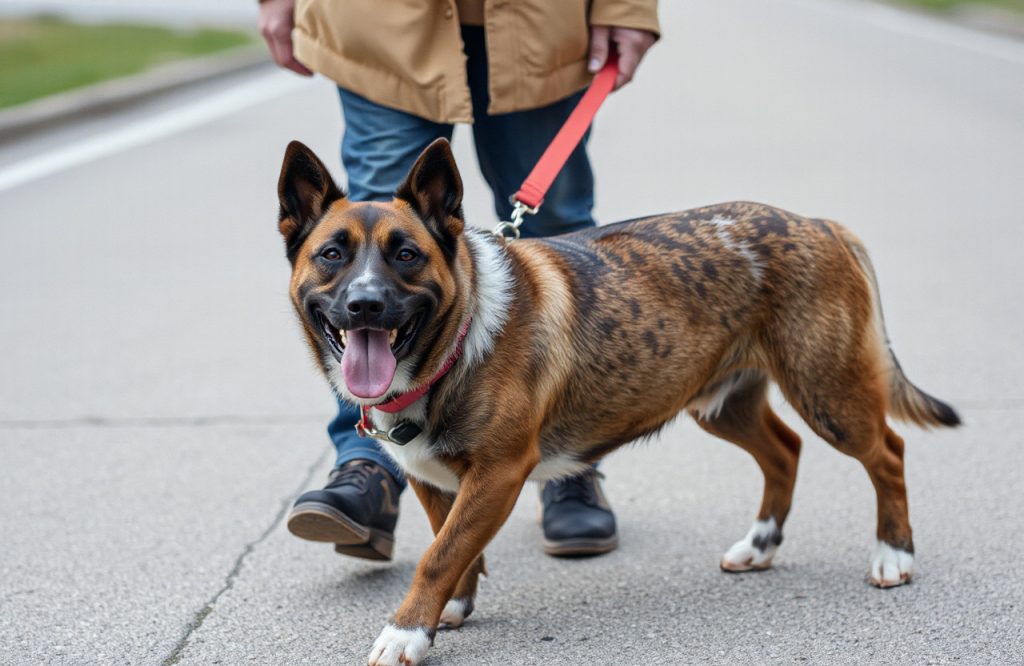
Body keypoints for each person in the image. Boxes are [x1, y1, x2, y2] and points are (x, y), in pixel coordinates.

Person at [259, 0, 659, 561]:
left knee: (559, 231)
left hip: (542, 22)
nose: (367, 288)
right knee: (370, 213)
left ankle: (569, 458)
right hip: (381, 23)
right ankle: (369, 463)